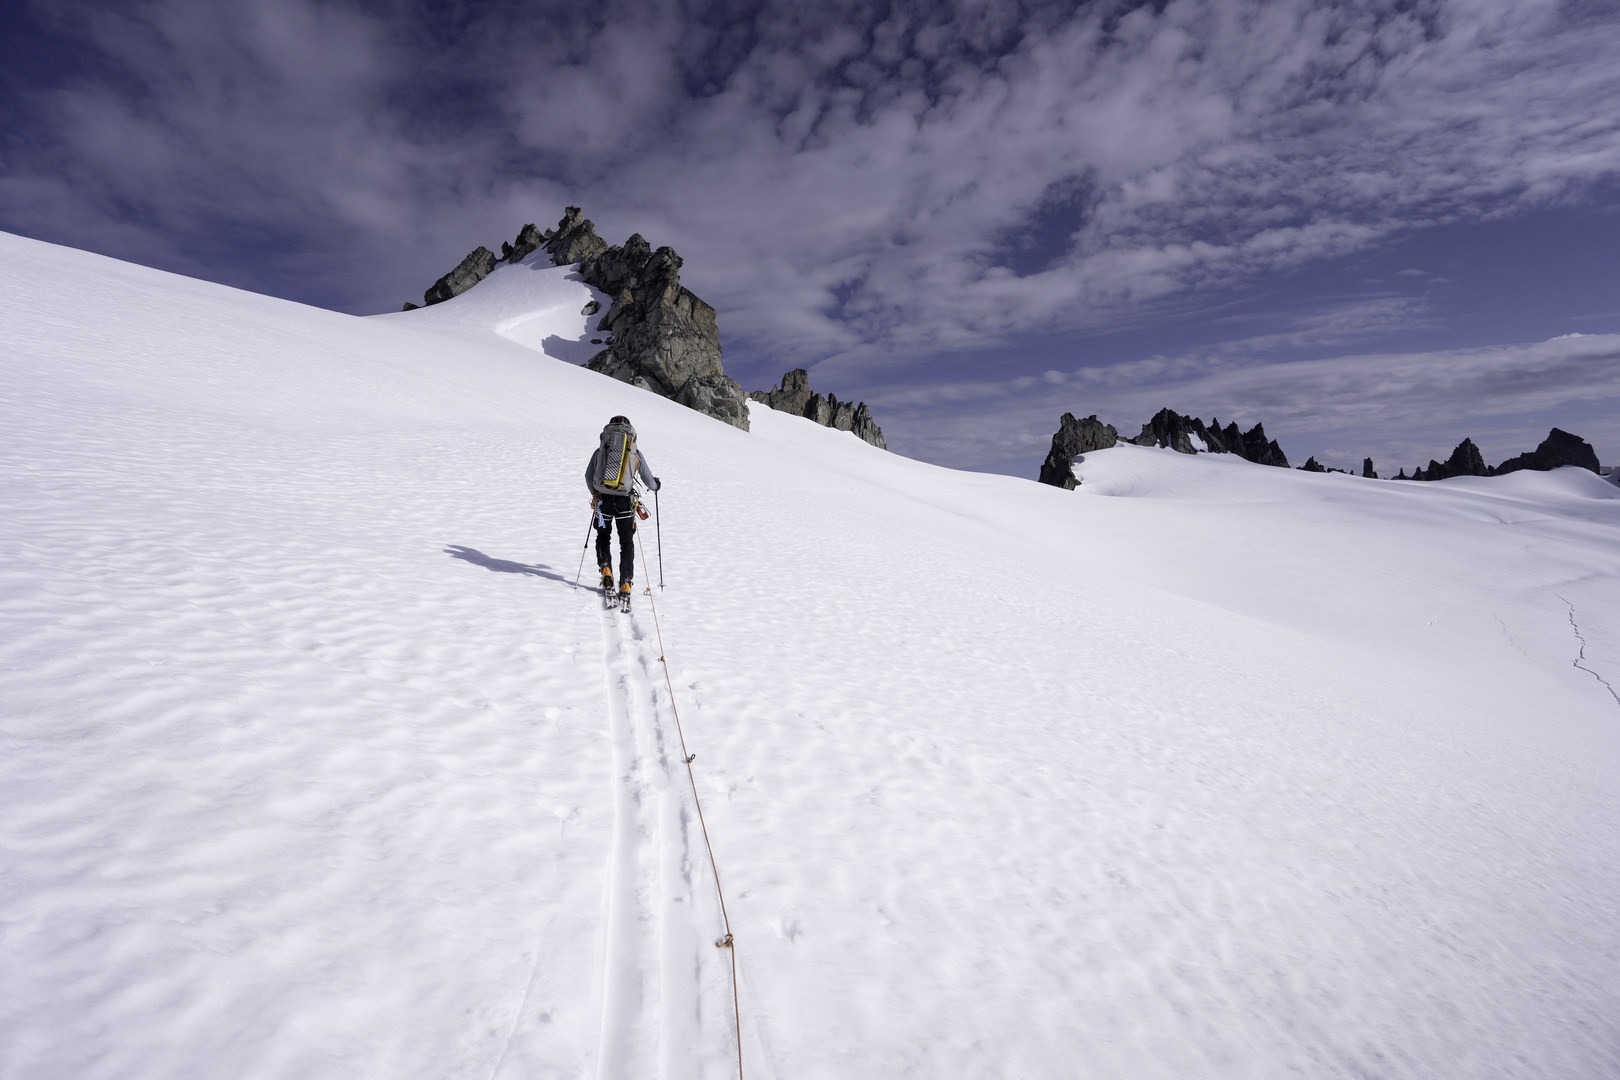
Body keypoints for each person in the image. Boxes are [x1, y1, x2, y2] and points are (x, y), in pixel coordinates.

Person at [585, 415, 660, 598]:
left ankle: (606, 572)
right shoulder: (633, 451)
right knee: (626, 543)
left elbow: (588, 477)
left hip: (603, 500)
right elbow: (647, 479)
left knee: (603, 537)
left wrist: (595, 494)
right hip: (624, 503)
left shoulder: (601, 450)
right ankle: (625, 583)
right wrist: (656, 485)